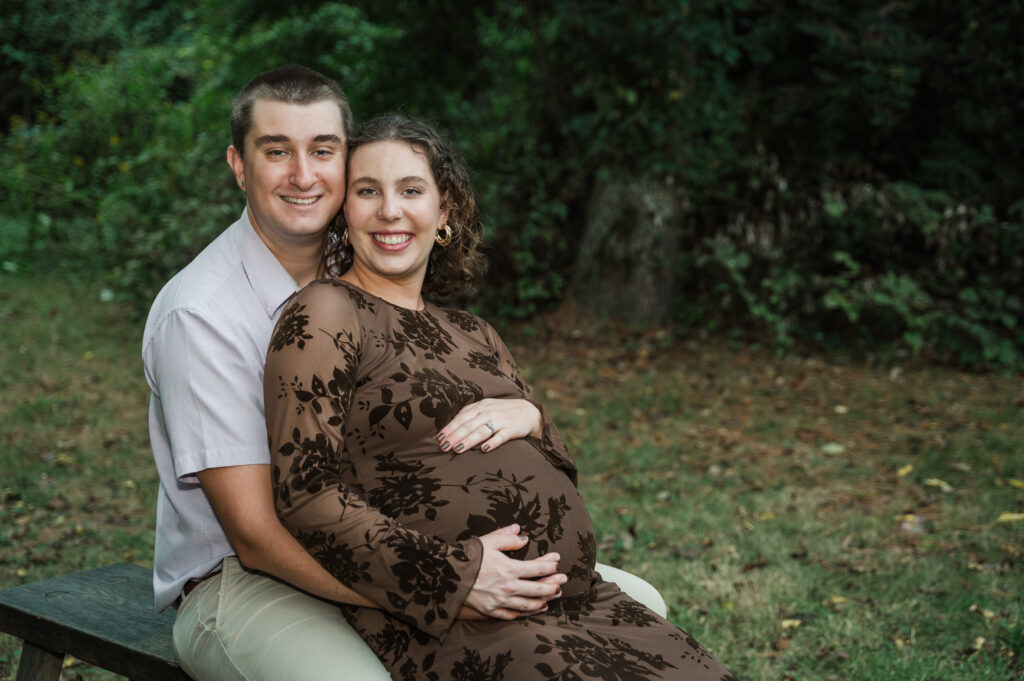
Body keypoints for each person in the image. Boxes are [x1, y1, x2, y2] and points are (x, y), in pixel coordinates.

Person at [143, 66, 663, 681]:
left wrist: (529, 415)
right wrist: (442, 589)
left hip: (388, 548)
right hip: (247, 578)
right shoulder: (201, 314)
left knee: (642, 604)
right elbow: (256, 533)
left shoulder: (367, 259)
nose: (303, 175)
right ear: (238, 165)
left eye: (323, 151)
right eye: (276, 151)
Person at [264, 114, 738, 680]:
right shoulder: (325, 312)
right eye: (368, 192)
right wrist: (450, 577)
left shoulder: (475, 331)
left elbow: (561, 470)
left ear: (444, 212)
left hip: (582, 600)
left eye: (411, 190)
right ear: (346, 213)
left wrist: (533, 418)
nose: (390, 210)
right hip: (456, 617)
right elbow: (306, 496)